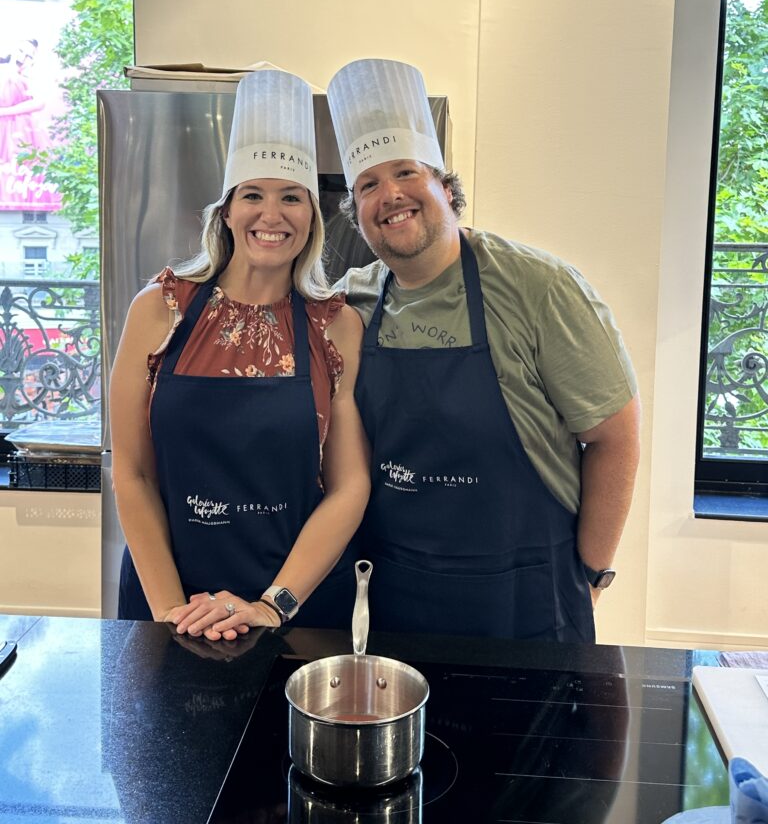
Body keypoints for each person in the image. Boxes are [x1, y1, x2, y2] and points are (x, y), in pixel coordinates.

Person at [326, 57, 640, 642]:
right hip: (393, 597)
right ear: (357, 214)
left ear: (446, 188)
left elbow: (614, 437)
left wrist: (590, 575)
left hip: (524, 601)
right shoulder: (350, 303)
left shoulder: (538, 287)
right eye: (368, 184)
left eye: (406, 174)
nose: (389, 195)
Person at [110, 69, 370, 640]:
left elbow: (348, 485)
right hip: (165, 600)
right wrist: (173, 615)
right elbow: (130, 471)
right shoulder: (160, 310)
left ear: (311, 217)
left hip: (292, 609)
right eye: (253, 194)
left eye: (291, 198)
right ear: (227, 211)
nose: (270, 215)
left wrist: (273, 605)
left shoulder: (336, 326)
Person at [0, 38, 47, 164]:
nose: (23, 58)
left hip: (19, 132)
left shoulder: (25, 79)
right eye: (20, 51)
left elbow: (39, 103)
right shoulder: (4, 72)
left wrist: (4, 112)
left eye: (29, 56)